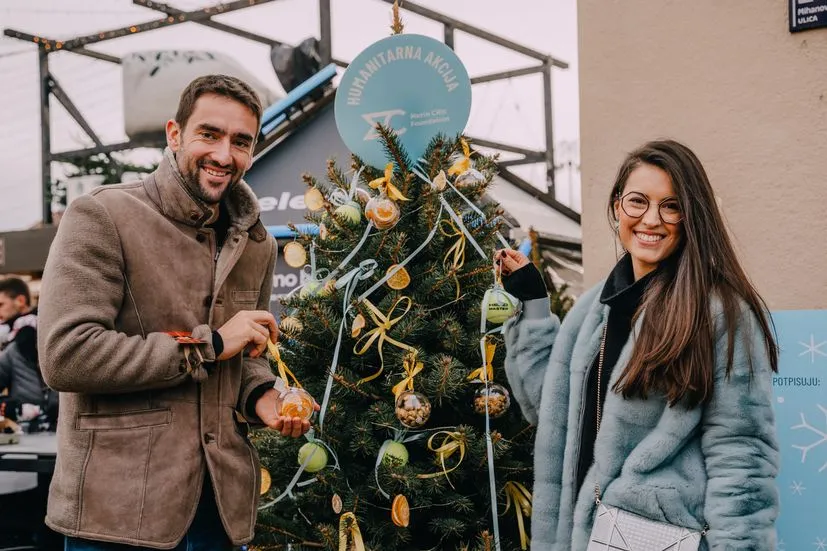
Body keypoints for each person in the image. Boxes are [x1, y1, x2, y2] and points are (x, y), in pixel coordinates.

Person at [37, 74, 314, 551]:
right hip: (117, 514)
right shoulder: (103, 215)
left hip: (218, 510)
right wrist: (211, 344)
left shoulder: (257, 244)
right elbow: (66, 356)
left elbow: (244, 354)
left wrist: (261, 395)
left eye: (241, 142)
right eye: (209, 134)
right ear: (175, 134)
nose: (224, 155)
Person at [497, 139, 779, 550]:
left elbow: (742, 457)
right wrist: (534, 304)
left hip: (655, 538)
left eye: (671, 206)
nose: (651, 219)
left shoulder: (718, 313)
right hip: (578, 537)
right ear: (617, 207)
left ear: (691, 215)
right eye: (637, 202)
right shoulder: (594, 308)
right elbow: (553, 412)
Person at [0, 278, 44, 412]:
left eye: (1, 305)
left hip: (32, 420)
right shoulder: (46, 327)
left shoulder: (16, 341)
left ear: (20, 301)